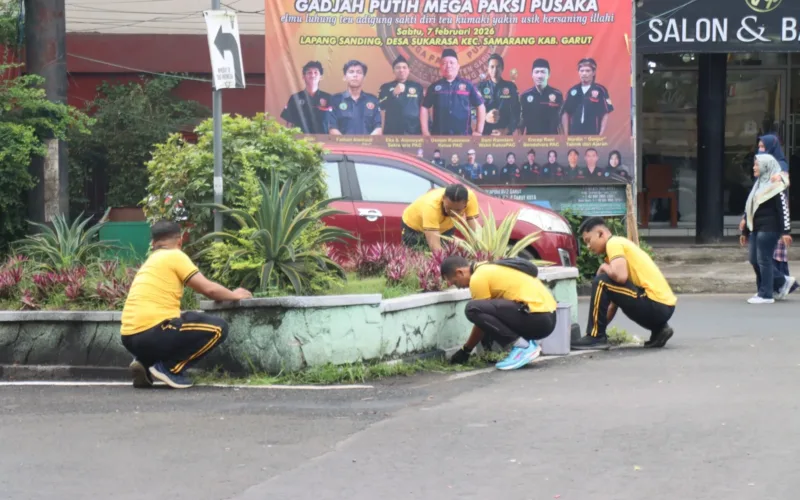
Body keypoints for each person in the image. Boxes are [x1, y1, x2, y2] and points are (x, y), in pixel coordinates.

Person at [120, 221, 253, 389]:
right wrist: (235, 295)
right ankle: (170, 369)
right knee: (219, 328)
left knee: (182, 320)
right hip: (153, 333)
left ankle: (144, 363)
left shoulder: (150, 262)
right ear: (180, 240)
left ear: (153, 243)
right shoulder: (175, 255)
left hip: (128, 338)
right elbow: (209, 290)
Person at [573, 217, 676, 350]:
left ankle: (595, 337)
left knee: (601, 281)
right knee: (606, 282)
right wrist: (599, 326)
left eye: (588, 240)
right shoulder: (621, 244)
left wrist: (604, 267)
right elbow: (614, 303)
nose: (588, 246)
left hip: (655, 304)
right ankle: (660, 329)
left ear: (600, 234)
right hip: (663, 307)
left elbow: (621, 277)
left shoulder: (613, 243)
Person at [441, 255, 557, 371]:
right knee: (480, 309)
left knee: (472, 309)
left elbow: (480, 319)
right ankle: (525, 345)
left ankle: (522, 347)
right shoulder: (487, 267)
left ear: (460, 272)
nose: (458, 288)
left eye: (455, 282)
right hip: (549, 317)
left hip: (538, 318)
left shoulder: (478, 278)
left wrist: (466, 350)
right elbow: (489, 316)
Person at [739, 154, 794, 304]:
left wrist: (786, 232)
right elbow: (750, 208)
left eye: (757, 165)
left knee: (764, 260)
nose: (754, 167)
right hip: (756, 227)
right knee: (754, 259)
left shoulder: (776, 186)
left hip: (770, 228)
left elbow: (783, 210)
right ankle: (780, 282)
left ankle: (766, 294)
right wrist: (745, 231)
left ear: (766, 166)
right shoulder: (758, 185)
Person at [758, 134, 797, 295]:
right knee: (766, 255)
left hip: (775, 214)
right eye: (759, 146)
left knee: (768, 255)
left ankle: (780, 283)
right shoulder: (761, 164)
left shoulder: (780, 164)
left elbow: (784, 178)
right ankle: (777, 286)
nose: (760, 150)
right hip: (762, 214)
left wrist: (779, 176)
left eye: (763, 147)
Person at [421, 48, 486, 136]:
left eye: (452, 63)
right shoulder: (434, 87)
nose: (448, 66)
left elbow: (480, 105)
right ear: (440, 66)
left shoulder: (468, 85)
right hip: (439, 136)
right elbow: (424, 107)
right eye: (444, 63)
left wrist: (479, 131)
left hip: (464, 136)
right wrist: (425, 132)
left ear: (458, 66)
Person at [401, 183, 479, 251]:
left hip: (445, 227)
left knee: (447, 251)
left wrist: (475, 250)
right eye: (449, 208)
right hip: (414, 227)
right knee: (418, 255)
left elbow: (474, 231)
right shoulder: (431, 207)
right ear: (443, 198)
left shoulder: (470, 197)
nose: (452, 213)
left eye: (458, 210)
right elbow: (435, 248)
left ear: (466, 202)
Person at [327, 60, 382, 135]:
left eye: (359, 72)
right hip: (342, 142)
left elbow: (378, 128)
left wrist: (366, 141)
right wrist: (346, 142)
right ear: (344, 77)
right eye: (351, 72)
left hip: (368, 142)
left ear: (364, 78)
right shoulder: (335, 100)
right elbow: (332, 128)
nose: (355, 75)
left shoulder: (373, 100)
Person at [561, 58, 613, 136]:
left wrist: (601, 134)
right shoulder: (572, 91)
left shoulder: (600, 90)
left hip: (593, 135)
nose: (584, 73)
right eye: (581, 71)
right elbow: (565, 112)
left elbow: (605, 113)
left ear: (594, 72)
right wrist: (566, 134)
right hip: (574, 135)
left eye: (588, 71)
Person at [280, 61, 332, 134]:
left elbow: (333, 124)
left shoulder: (329, 98)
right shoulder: (295, 98)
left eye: (316, 72)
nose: (312, 75)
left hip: (323, 140)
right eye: (309, 72)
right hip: (300, 140)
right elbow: (289, 124)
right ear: (303, 77)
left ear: (321, 77)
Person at [378, 56, 424, 135]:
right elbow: (381, 105)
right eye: (398, 68)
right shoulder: (385, 87)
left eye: (404, 67)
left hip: (413, 131)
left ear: (409, 70)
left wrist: (426, 129)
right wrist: (393, 93)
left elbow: (423, 109)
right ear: (393, 71)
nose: (401, 70)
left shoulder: (417, 87)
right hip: (392, 131)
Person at [478, 54, 520, 136]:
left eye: (498, 67)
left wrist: (506, 130)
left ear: (502, 69)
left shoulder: (510, 87)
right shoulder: (480, 87)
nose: (495, 70)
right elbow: (472, 111)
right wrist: (485, 116)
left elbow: (516, 112)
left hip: (505, 136)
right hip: (485, 135)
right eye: (492, 67)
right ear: (488, 69)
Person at [520, 58, 563, 135]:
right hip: (532, 140)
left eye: (543, 72)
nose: (539, 76)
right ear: (532, 75)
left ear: (549, 74)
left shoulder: (557, 95)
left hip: (552, 140)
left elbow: (561, 121)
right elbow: (521, 123)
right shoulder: (525, 96)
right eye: (536, 72)